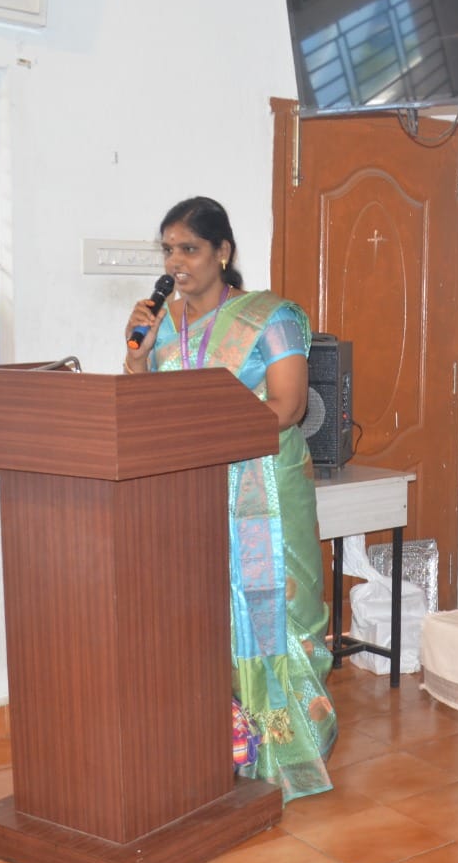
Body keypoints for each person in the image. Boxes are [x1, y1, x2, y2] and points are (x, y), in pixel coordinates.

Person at [123, 195, 336, 802]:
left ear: (223, 251)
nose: (176, 262)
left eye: (189, 248)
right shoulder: (163, 322)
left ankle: (289, 750)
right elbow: (144, 404)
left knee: (276, 611)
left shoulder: (271, 317)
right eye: (168, 250)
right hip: (191, 490)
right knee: (202, 614)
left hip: (264, 485)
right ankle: (219, 749)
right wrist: (139, 357)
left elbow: (288, 407)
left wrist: (206, 431)